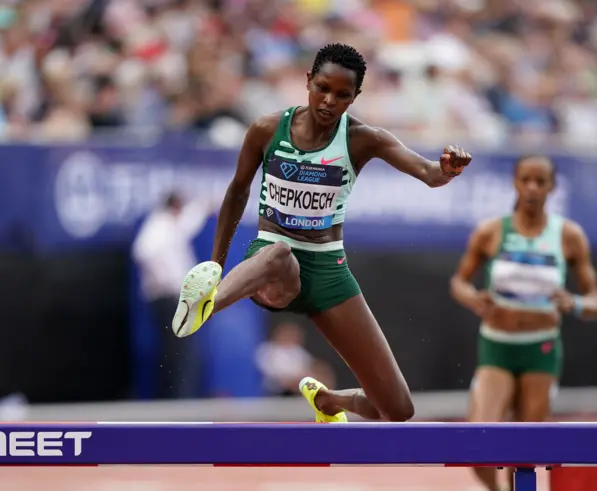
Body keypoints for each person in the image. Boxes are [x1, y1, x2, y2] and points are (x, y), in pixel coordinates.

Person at [172, 43, 472, 422]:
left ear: (355, 97)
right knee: (279, 253)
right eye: (323, 89)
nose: (330, 101)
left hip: (328, 269)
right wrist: (215, 264)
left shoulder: (364, 138)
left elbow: (429, 174)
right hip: (271, 266)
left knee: (396, 409)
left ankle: (329, 403)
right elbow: (236, 192)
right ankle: (208, 302)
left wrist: (447, 169)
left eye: (343, 95)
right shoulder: (267, 129)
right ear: (308, 81)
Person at [449, 155, 597, 491]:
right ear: (515, 183)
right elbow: (459, 282)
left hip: (541, 351)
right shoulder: (491, 231)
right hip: (497, 347)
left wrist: (574, 302)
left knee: (525, 453)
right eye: (526, 180)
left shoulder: (568, 236)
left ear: (552, 187)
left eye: (540, 181)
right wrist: (473, 297)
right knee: (480, 443)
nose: (532, 188)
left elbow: (596, 303)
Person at [132, 192, 212, 399]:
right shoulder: (158, 225)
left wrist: (206, 203)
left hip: (173, 298)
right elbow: (143, 252)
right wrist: (164, 281)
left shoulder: (171, 224)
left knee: (180, 352)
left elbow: (190, 220)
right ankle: (178, 400)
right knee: (178, 353)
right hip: (168, 298)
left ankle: (180, 398)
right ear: (175, 206)